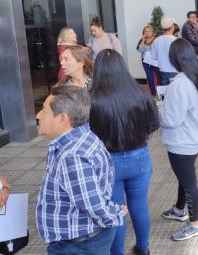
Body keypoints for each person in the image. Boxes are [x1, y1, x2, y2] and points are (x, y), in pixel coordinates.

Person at [35, 85, 127, 255]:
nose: (38, 115)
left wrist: (113, 214)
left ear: (62, 118)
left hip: (79, 245)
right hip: (83, 240)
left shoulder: (72, 155)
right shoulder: (82, 136)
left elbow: (92, 204)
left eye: (44, 111)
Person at [89, 50, 159, 255]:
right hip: (140, 158)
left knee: (116, 211)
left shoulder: (92, 100)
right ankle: (143, 248)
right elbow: (154, 124)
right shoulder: (140, 94)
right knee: (139, 206)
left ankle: (117, 252)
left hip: (108, 162)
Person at [157, 39, 198, 241]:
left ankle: (195, 224)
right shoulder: (196, 78)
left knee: (189, 182)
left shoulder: (179, 84)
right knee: (185, 176)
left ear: (173, 58)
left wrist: (158, 108)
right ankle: (180, 209)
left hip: (182, 142)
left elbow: (171, 120)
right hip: (195, 137)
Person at [151, 16, 178, 85]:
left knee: (164, 92)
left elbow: (154, 57)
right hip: (175, 71)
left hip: (161, 70)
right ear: (172, 27)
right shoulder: (176, 40)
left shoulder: (157, 40)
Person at [137, 25, 159, 96]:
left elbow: (158, 50)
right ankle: (153, 93)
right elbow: (140, 50)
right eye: (146, 31)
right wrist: (143, 40)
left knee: (159, 77)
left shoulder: (156, 40)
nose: (148, 33)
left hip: (155, 61)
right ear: (143, 33)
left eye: (149, 31)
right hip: (146, 62)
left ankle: (160, 92)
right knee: (150, 77)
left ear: (152, 32)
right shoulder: (142, 40)